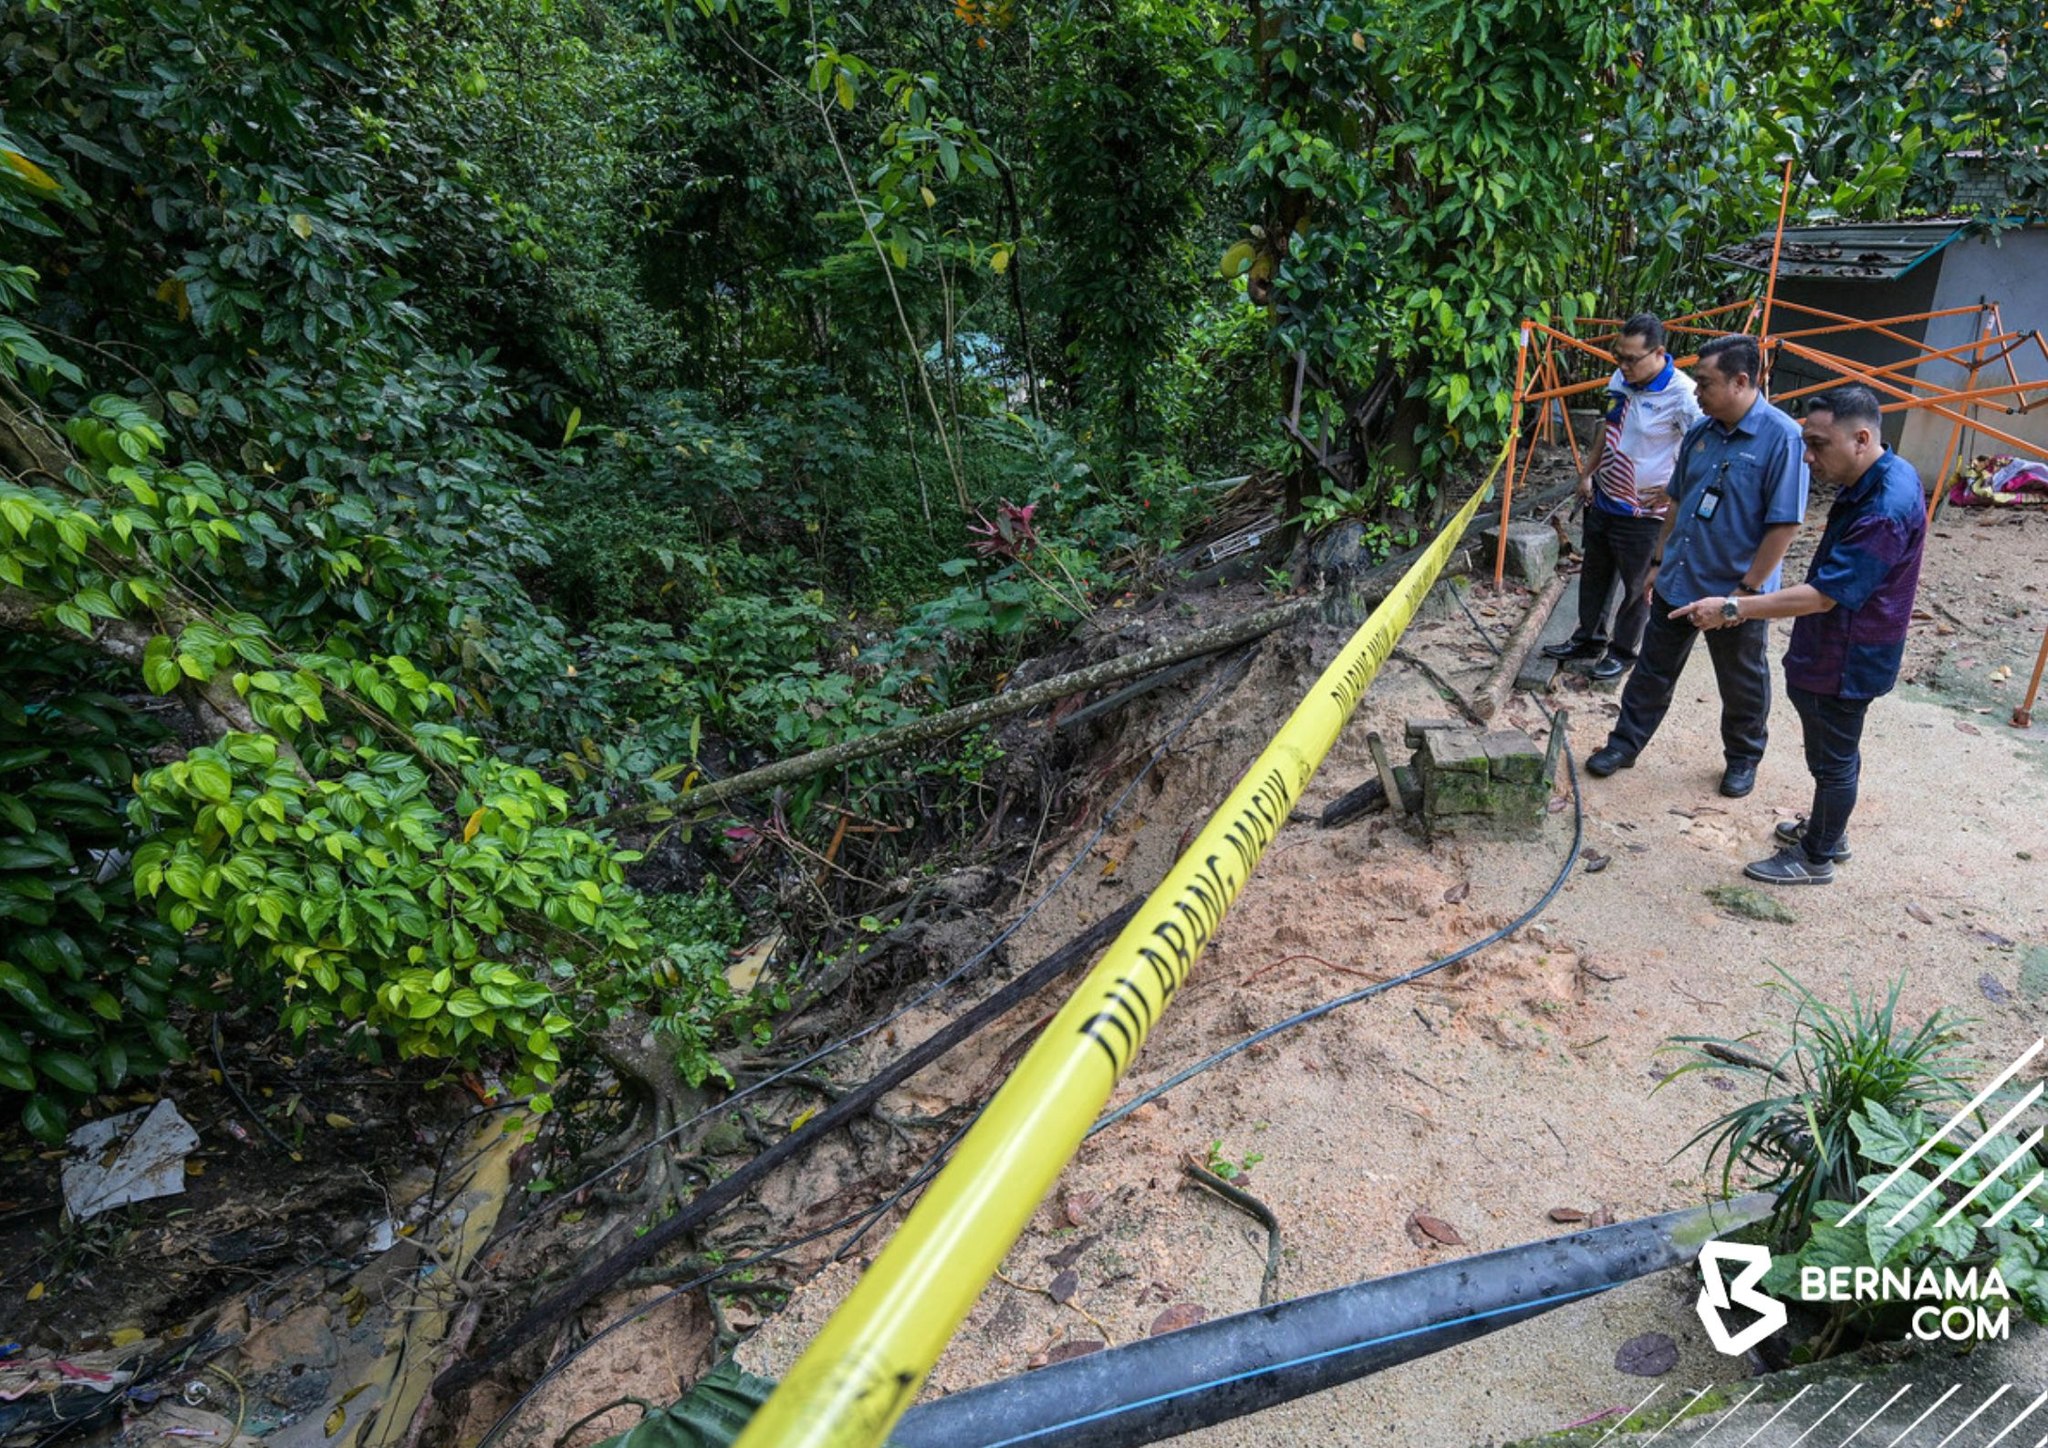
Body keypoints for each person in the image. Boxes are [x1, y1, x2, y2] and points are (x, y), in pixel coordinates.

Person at [1668, 384, 1926, 884]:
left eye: (1818, 444)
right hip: (1839, 643)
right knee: (1833, 752)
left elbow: (1823, 596)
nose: (1807, 457)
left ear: (1861, 438)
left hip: (1848, 653)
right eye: (1806, 442)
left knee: (1833, 759)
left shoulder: (1884, 509)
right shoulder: (1888, 472)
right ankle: (1829, 831)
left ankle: (1817, 856)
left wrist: (1733, 607)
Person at [1584, 333, 1808, 798]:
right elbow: (1677, 502)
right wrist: (1658, 563)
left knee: (1741, 681)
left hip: (1735, 591)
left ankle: (1743, 759)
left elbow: (1784, 526)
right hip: (1680, 576)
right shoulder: (1702, 434)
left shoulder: (1782, 438)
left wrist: (1744, 595)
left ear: (1741, 381)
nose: (1697, 392)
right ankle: (1624, 745)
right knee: (1651, 670)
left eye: (1705, 383)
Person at [1542, 314, 1703, 681]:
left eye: (1632, 358)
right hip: (1605, 497)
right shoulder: (1623, 379)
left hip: (1645, 513)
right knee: (1595, 575)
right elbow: (1609, 427)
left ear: (1659, 353)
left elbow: (1701, 451)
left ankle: (1623, 651)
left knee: (1636, 586)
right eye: (1619, 357)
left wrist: (1673, 489)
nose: (1623, 365)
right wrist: (1587, 473)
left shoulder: (1683, 395)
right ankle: (1588, 638)